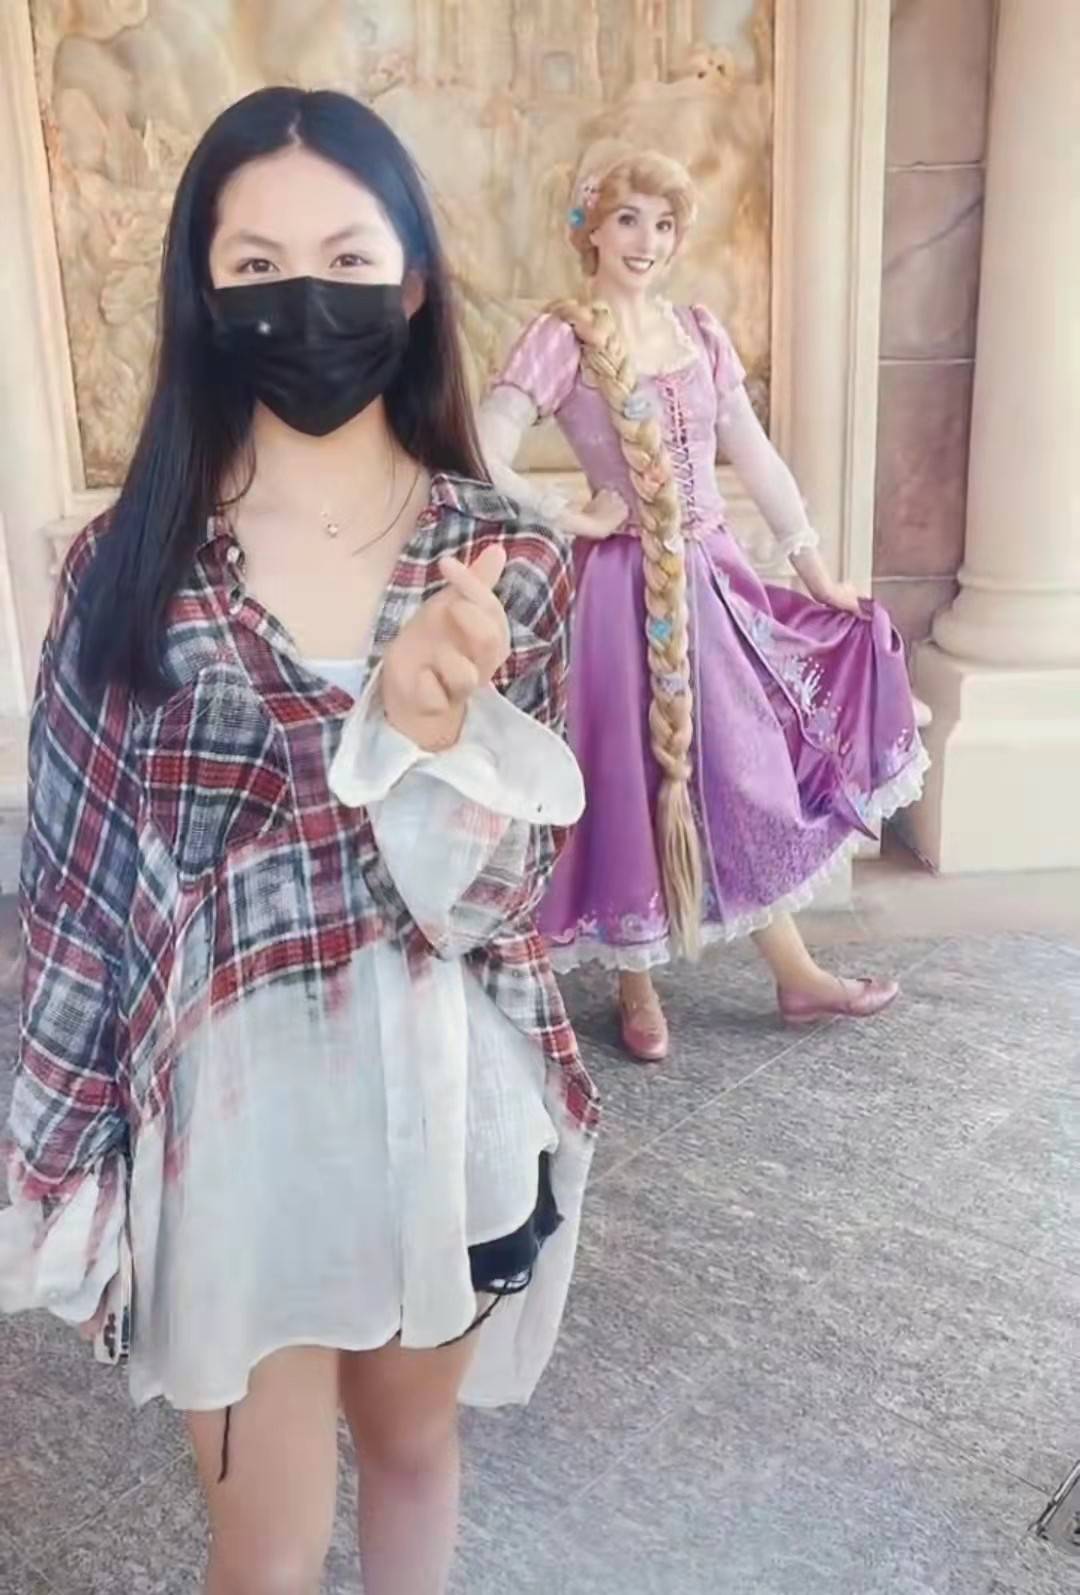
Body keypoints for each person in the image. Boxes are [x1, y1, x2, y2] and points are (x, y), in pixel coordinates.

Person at [0, 88, 597, 1595]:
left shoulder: (507, 554)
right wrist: (50, 1153)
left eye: (344, 258)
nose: (303, 299)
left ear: (412, 285)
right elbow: (76, 886)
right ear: (205, 296)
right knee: (263, 1551)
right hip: (234, 1138)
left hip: (448, 1113)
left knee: (414, 1458)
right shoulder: (125, 565)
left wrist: (437, 733)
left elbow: (509, 899)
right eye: (256, 266)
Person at [479, 144, 928, 1063]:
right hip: (617, 597)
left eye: (664, 223)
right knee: (627, 775)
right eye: (628, 219)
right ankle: (635, 983)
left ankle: (795, 970)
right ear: (589, 228)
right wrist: (572, 513)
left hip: (712, 583)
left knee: (741, 765)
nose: (647, 240)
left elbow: (753, 453)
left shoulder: (698, 332)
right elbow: (482, 444)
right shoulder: (561, 336)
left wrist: (813, 569)